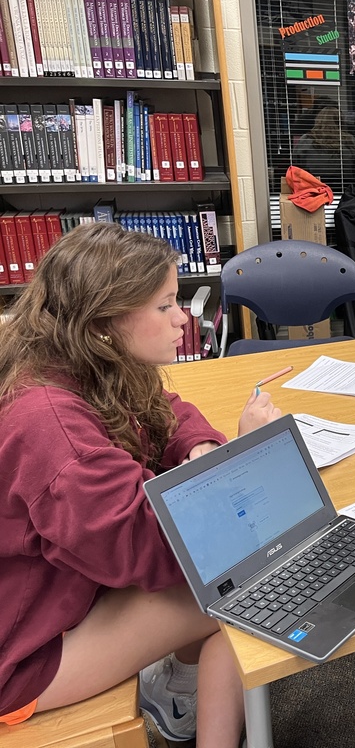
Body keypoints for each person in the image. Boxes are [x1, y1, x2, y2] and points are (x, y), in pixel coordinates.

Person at [0, 223, 282, 747]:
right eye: (165, 305)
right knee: (241, 584)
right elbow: (156, 549)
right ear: (106, 319)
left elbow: (165, 412)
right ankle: (188, 706)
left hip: (71, 583)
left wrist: (199, 449)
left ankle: (177, 686)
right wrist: (243, 462)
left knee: (239, 575)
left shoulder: (81, 358)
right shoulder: (50, 426)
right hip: (24, 652)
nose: (183, 318)